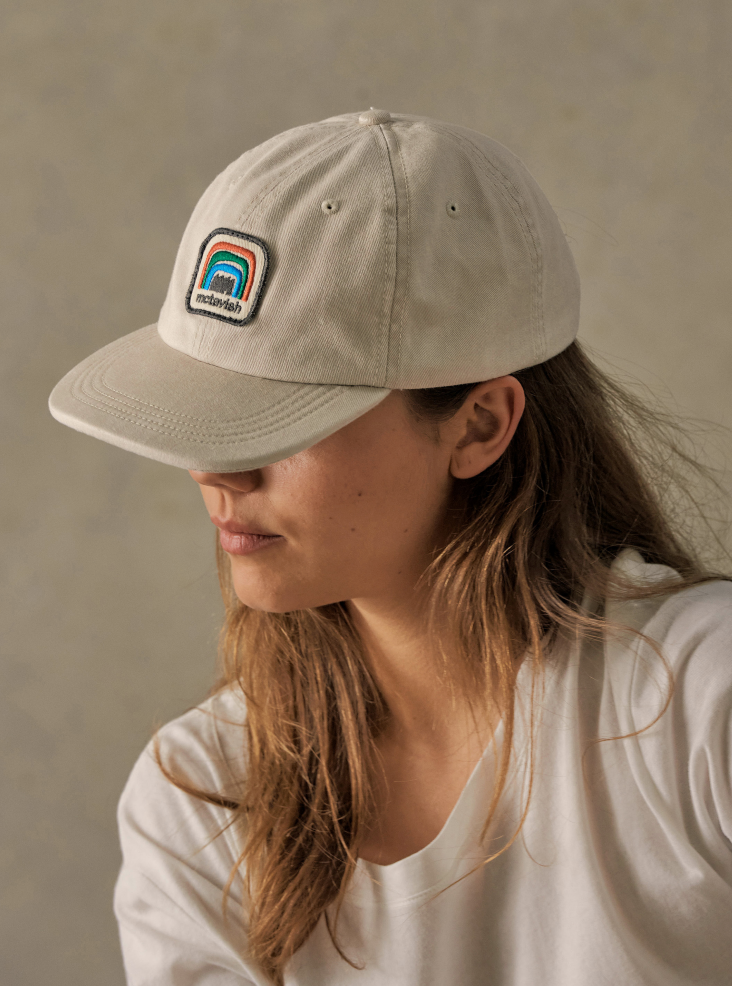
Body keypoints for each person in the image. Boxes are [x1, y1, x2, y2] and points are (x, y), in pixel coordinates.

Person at [49, 109, 732, 986]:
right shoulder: (203, 797)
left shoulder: (701, 708)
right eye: (207, 411)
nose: (214, 471)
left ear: (479, 425)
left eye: (280, 420)